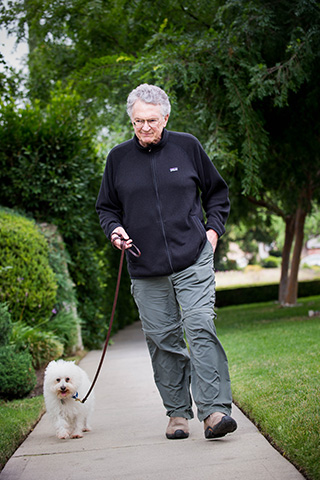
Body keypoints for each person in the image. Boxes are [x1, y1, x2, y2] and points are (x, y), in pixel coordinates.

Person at [96, 83, 237, 440]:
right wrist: (115, 231)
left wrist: (212, 233)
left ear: (166, 117)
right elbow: (106, 208)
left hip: (193, 257)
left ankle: (215, 412)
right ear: (131, 119)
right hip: (145, 268)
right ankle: (177, 414)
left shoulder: (187, 146)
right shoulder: (117, 159)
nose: (145, 127)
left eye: (152, 120)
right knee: (163, 339)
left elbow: (217, 193)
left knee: (201, 325)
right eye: (138, 121)